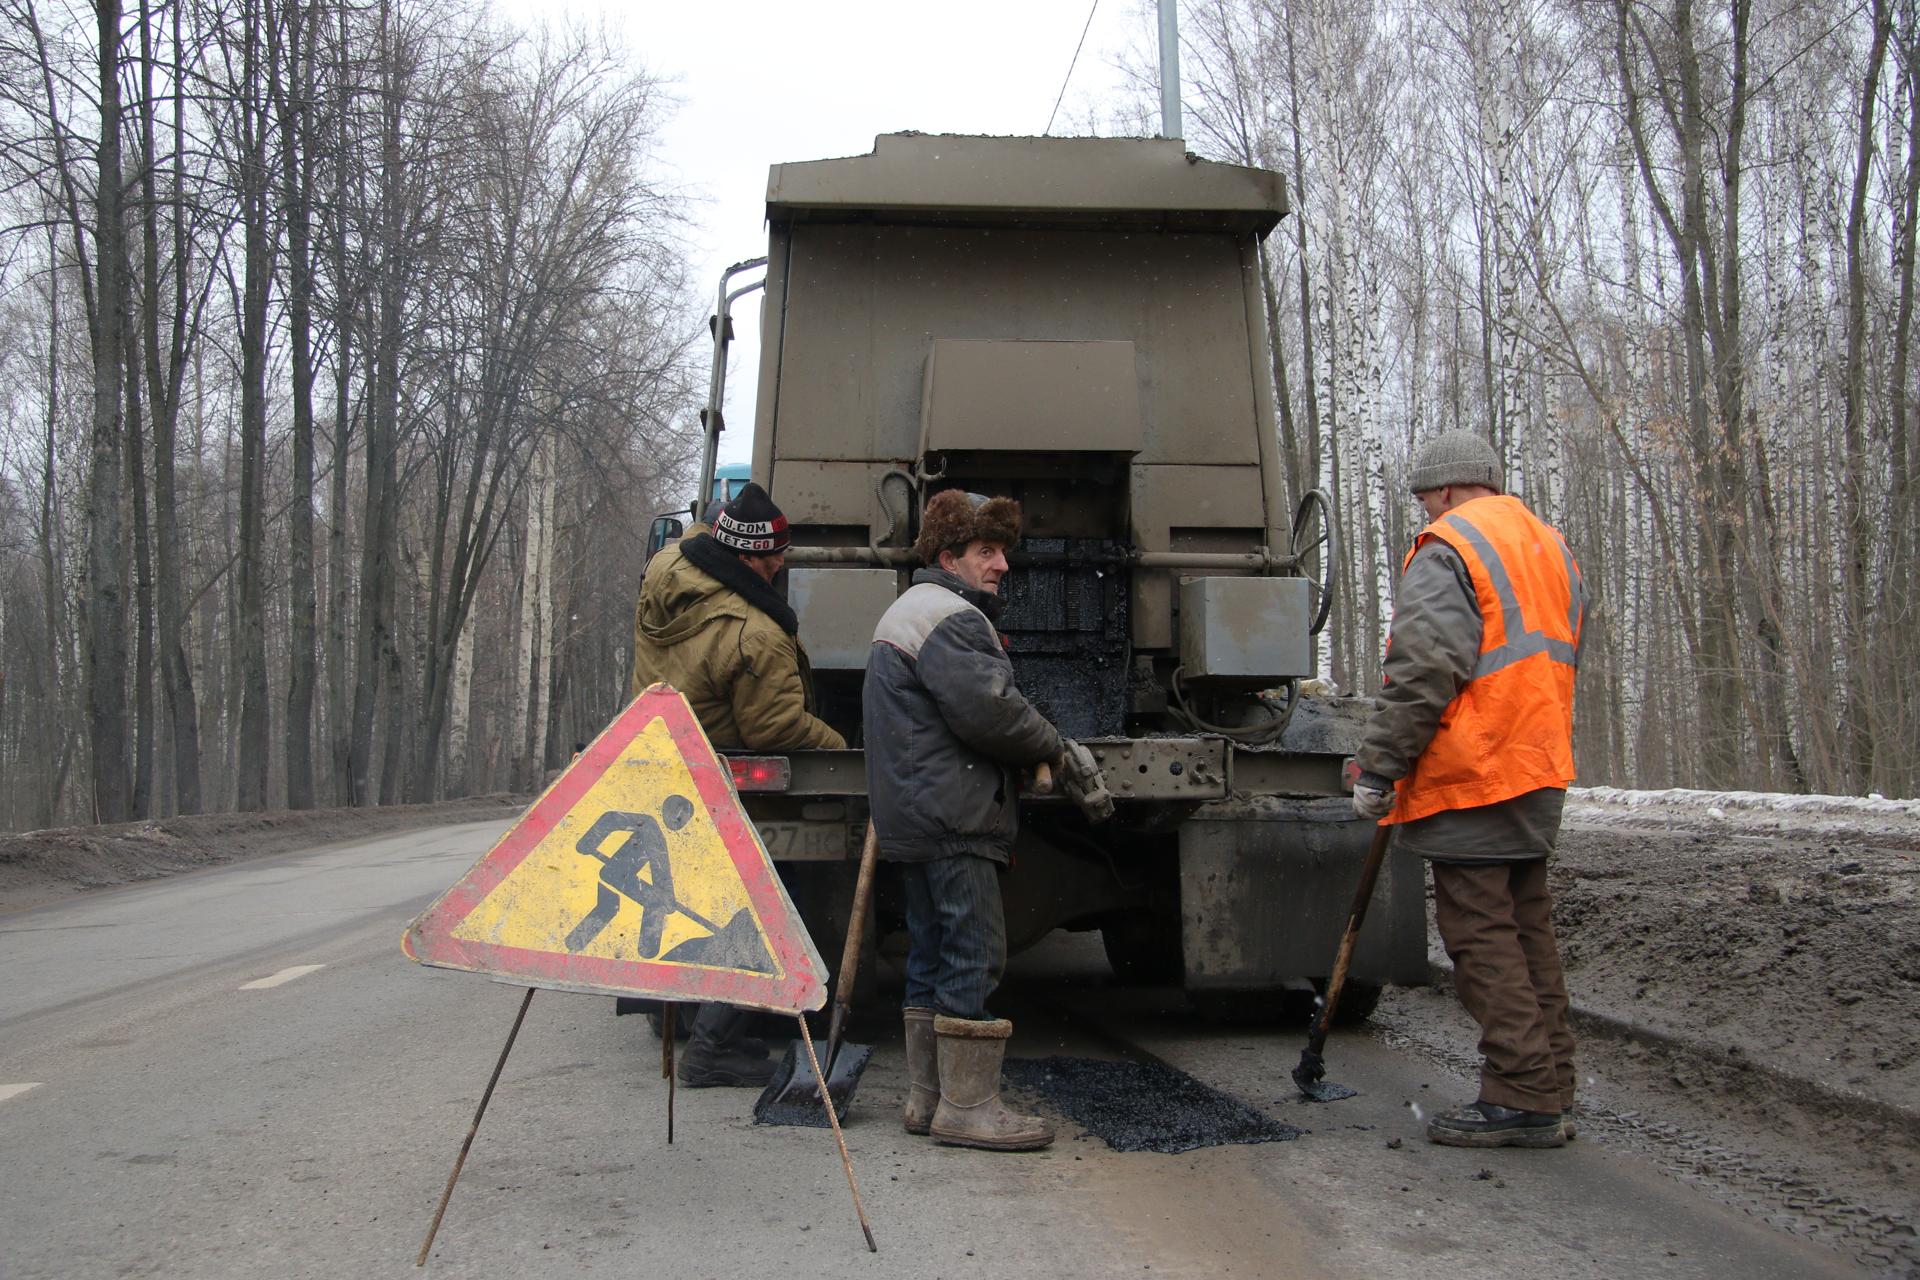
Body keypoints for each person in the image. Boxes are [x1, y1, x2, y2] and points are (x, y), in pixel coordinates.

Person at [1353, 430, 1586, 1150]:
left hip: (1474, 770)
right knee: (1526, 929)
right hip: (1538, 764)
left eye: (1425, 497)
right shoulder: (1550, 546)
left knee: (1482, 934)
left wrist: (1382, 765)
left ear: (1449, 489)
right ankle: (1551, 1081)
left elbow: (1424, 668)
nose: (1423, 511)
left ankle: (1521, 1095)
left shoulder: (1450, 545)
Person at [863, 489, 1065, 1152]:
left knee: (930, 953)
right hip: (954, 816)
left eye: (1003, 550)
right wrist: (1052, 744)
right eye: (986, 550)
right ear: (949, 556)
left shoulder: (909, 611)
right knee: (973, 955)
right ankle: (968, 1106)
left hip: (917, 815)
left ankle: (928, 1099)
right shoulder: (950, 618)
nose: (1002, 564)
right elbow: (992, 711)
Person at [629, 481, 846, 1087]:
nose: (782, 563)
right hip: (726, 779)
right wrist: (846, 750)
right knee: (767, 902)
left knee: (691, 899)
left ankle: (700, 1020)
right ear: (747, 557)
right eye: (774, 554)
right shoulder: (757, 633)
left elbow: (703, 530)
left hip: (667, 758)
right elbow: (774, 725)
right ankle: (712, 1046)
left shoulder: (667, 566)